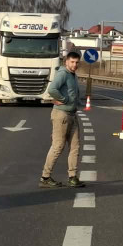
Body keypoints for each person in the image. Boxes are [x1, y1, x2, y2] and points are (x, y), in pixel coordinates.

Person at [40, 51, 85, 188]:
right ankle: (45, 177)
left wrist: (77, 104)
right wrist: (63, 100)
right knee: (58, 146)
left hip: (72, 114)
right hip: (61, 115)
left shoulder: (73, 76)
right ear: (66, 61)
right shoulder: (63, 74)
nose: (74, 65)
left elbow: (73, 93)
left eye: (77, 62)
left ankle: (72, 177)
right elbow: (52, 89)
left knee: (75, 147)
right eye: (72, 62)